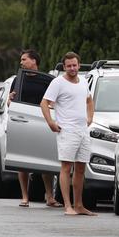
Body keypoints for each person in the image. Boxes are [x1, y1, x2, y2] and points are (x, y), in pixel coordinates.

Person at [40, 51, 96, 216]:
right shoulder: (58, 83)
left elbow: (89, 100)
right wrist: (51, 122)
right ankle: (68, 206)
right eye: (69, 65)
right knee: (66, 167)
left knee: (80, 168)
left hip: (83, 131)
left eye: (75, 65)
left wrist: (90, 117)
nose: (72, 68)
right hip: (67, 130)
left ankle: (79, 205)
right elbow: (44, 103)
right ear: (64, 67)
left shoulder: (84, 81)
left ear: (79, 65)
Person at [8, 49, 60, 208]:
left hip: (42, 122)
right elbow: (10, 102)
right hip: (22, 122)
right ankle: (25, 197)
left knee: (46, 161)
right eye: (21, 59)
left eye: (24, 59)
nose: (21, 62)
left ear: (34, 61)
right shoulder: (18, 79)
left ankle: (50, 197)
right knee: (22, 162)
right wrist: (10, 100)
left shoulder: (46, 81)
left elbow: (53, 101)